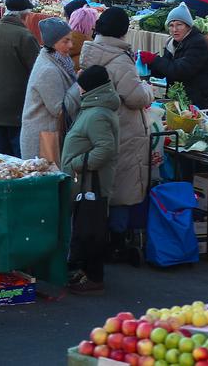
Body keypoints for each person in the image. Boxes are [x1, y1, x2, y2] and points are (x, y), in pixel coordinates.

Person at [78, 8, 152, 262]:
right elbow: (136, 97)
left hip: (98, 125)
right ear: (123, 31)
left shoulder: (92, 52)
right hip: (123, 127)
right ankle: (117, 242)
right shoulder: (120, 60)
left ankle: (104, 237)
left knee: (103, 182)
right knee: (122, 186)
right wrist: (148, 89)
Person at [61, 64, 122, 295]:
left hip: (90, 181)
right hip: (86, 180)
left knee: (90, 229)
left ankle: (94, 277)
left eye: (81, 85)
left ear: (90, 88)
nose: (78, 89)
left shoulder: (97, 114)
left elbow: (105, 148)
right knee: (85, 226)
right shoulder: (95, 108)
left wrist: (77, 163)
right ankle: (86, 272)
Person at [0, 0, 41, 157]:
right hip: (16, 112)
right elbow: (37, 74)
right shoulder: (25, 37)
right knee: (18, 164)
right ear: (26, 16)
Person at [19, 18, 82, 163]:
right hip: (43, 140)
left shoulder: (56, 61)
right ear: (53, 43)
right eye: (65, 41)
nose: (71, 45)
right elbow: (59, 110)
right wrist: (79, 85)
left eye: (70, 40)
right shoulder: (48, 70)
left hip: (48, 134)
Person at [139, 4, 208, 109]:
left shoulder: (198, 43)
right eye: (171, 25)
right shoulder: (172, 43)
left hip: (203, 102)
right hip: (182, 100)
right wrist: (147, 65)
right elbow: (165, 70)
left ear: (188, 26)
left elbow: (180, 70)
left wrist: (154, 59)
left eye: (179, 25)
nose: (174, 29)